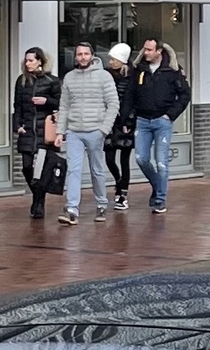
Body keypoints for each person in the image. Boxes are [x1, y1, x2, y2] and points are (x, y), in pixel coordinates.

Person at [56, 40, 118, 225]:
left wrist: (104, 129)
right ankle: (72, 209)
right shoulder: (69, 77)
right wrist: (60, 131)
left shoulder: (104, 77)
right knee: (73, 170)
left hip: (95, 130)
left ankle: (101, 203)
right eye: (79, 54)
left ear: (92, 55)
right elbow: (64, 106)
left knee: (96, 170)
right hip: (74, 130)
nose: (83, 57)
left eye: (86, 54)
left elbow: (113, 104)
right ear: (75, 56)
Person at [130, 38, 190, 212]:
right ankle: (158, 186)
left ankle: (160, 199)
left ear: (159, 51)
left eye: (149, 50)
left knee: (162, 162)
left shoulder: (172, 71)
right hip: (142, 121)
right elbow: (131, 94)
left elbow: (185, 94)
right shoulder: (139, 70)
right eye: (145, 49)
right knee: (141, 158)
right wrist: (130, 117)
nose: (145, 52)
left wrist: (170, 115)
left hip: (162, 121)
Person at [12, 48, 64, 220]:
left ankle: (38, 202)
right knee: (26, 167)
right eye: (26, 61)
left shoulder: (52, 81)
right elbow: (17, 106)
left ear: (40, 61)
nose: (28, 64)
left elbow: (61, 104)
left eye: (31, 60)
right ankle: (37, 194)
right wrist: (17, 125)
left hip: (45, 130)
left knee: (40, 170)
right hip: (27, 129)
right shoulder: (22, 81)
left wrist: (46, 101)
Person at [104, 42, 137, 210]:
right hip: (110, 123)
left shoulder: (132, 76)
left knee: (125, 160)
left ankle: (122, 194)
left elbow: (133, 101)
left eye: (114, 59)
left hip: (125, 123)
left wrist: (129, 122)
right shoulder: (106, 75)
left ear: (122, 60)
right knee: (109, 159)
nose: (110, 62)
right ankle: (118, 181)